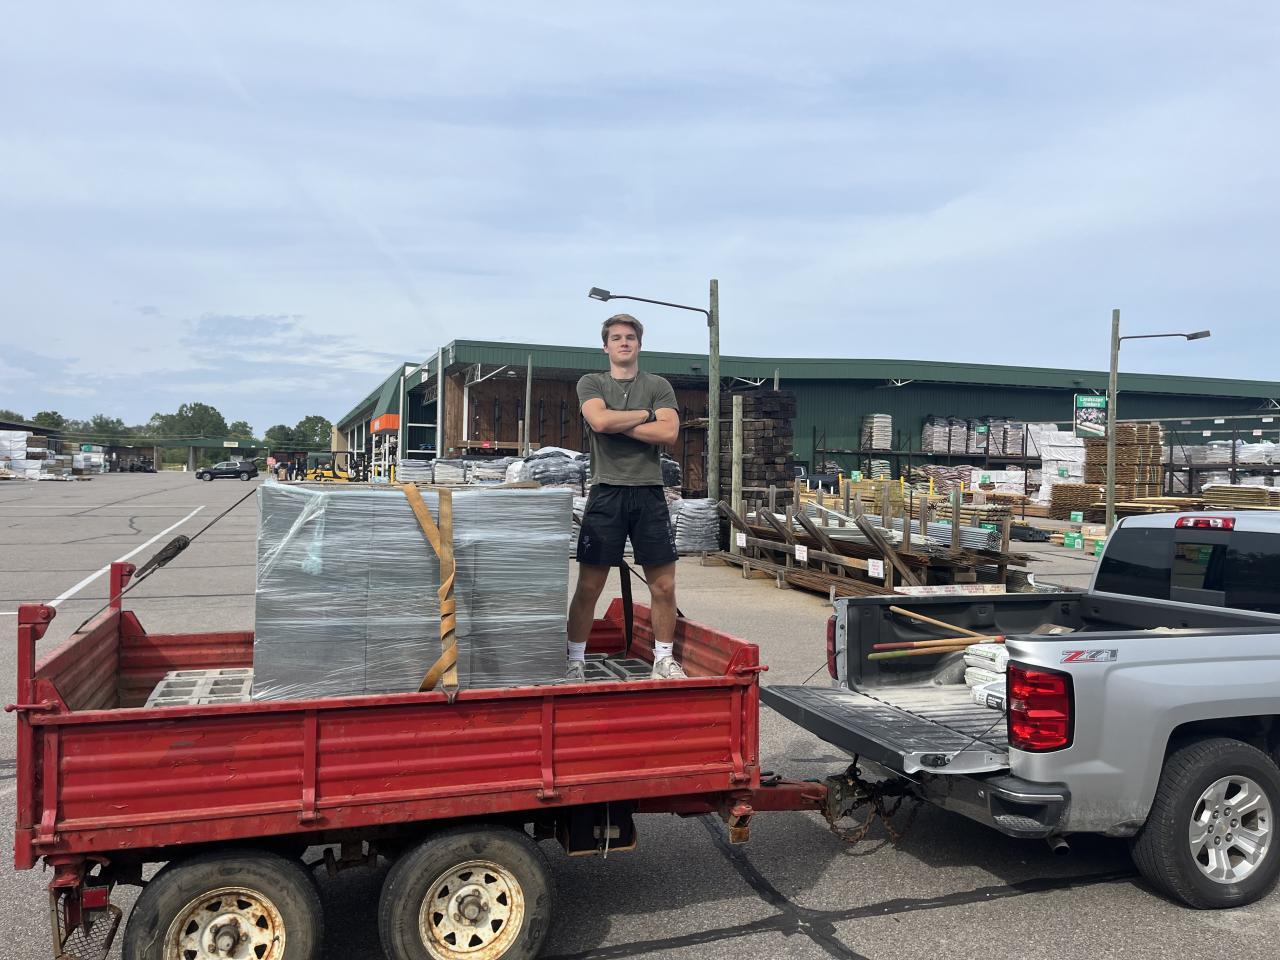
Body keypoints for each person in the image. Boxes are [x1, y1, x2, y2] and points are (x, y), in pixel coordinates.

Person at [567, 313, 684, 681]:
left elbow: (668, 433)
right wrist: (645, 417)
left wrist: (618, 423)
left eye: (630, 337)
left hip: (649, 494)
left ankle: (663, 660)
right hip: (607, 493)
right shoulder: (591, 382)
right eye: (616, 337)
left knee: (663, 585)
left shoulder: (658, 385)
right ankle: (574, 660)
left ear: (639, 345)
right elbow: (599, 422)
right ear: (606, 346)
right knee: (590, 586)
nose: (623, 342)